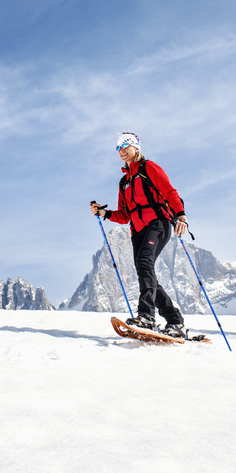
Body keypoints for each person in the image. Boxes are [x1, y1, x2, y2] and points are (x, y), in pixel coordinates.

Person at [90, 132, 189, 338]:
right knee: (146, 271)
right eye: (118, 148)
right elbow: (124, 215)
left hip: (158, 223)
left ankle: (146, 316)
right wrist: (104, 213)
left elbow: (170, 193)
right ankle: (175, 321)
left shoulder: (149, 168)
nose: (121, 150)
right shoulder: (124, 182)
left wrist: (181, 217)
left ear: (136, 147)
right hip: (137, 231)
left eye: (125, 145)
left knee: (144, 262)